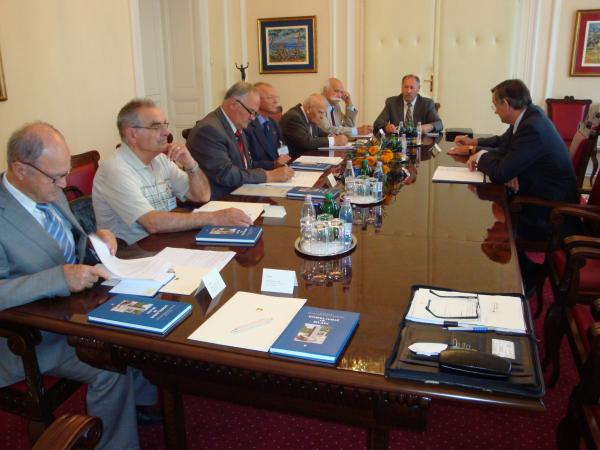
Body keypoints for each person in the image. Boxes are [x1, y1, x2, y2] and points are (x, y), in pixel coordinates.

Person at [0, 122, 157, 450]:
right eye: (55, 177)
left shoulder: (47, 190)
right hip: (32, 337)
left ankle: (140, 403)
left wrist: (98, 240)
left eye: (65, 174)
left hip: (74, 309)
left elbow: (68, 243)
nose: (63, 184)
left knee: (146, 321)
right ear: (20, 169)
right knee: (110, 366)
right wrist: (59, 278)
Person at [450, 79, 579, 292]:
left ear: (507, 104)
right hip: (540, 193)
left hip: (550, 213)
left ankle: (521, 277)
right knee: (491, 204)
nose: (495, 111)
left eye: (495, 105)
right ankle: (526, 272)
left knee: (483, 216)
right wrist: (478, 148)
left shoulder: (532, 128)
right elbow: (504, 146)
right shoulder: (529, 117)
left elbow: (501, 172)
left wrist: (481, 157)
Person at [93, 99, 252, 245]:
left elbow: (201, 196)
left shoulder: (160, 160)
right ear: (132, 134)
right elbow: (152, 223)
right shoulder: (116, 170)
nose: (167, 133)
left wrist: (191, 164)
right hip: (132, 253)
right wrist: (214, 218)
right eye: (156, 127)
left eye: (165, 125)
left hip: (162, 242)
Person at [187, 81, 294, 199]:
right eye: (251, 112)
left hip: (242, 191)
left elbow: (247, 165)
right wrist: (269, 176)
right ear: (234, 104)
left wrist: (273, 170)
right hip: (220, 198)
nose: (253, 118)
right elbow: (226, 174)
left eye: (255, 113)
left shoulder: (237, 125)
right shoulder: (209, 130)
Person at [280, 93, 349, 159]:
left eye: (324, 113)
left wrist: (331, 135)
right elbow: (307, 142)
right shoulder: (294, 117)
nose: (322, 117)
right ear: (308, 109)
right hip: (292, 161)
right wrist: (334, 140)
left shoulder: (310, 116)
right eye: (320, 112)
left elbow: (319, 132)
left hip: (306, 158)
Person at [373, 74, 443, 134]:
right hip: (398, 142)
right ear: (401, 88)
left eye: (412, 87)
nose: (408, 91)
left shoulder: (427, 103)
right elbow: (377, 123)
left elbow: (439, 124)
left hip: (420, 142)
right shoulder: (392, 102)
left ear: (418, 88)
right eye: (406, 87)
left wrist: (430, 126)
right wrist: (387, 127)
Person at [244, 82, 291, 170]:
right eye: (270, 98)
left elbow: (282, 148)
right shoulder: (247, 125)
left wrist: (284, 158)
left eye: (276, 97)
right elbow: (246, 163)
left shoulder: (273, 123)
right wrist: (273, 164)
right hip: (260, 175)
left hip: (280, 172)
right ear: (257, 100)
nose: (276, 101)